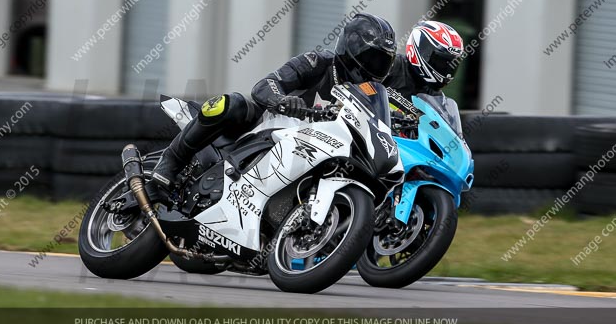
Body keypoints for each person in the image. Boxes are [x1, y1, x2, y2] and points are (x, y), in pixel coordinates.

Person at [147, 15, 463, 200]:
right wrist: (285, 102)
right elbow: (264, 86)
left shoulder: (385, 88)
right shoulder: (319, 62)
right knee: (227, 104)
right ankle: (170, 163)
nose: (375, 66)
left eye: (381, 60)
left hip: (326, 146)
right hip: (271, 126)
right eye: (370, 58)